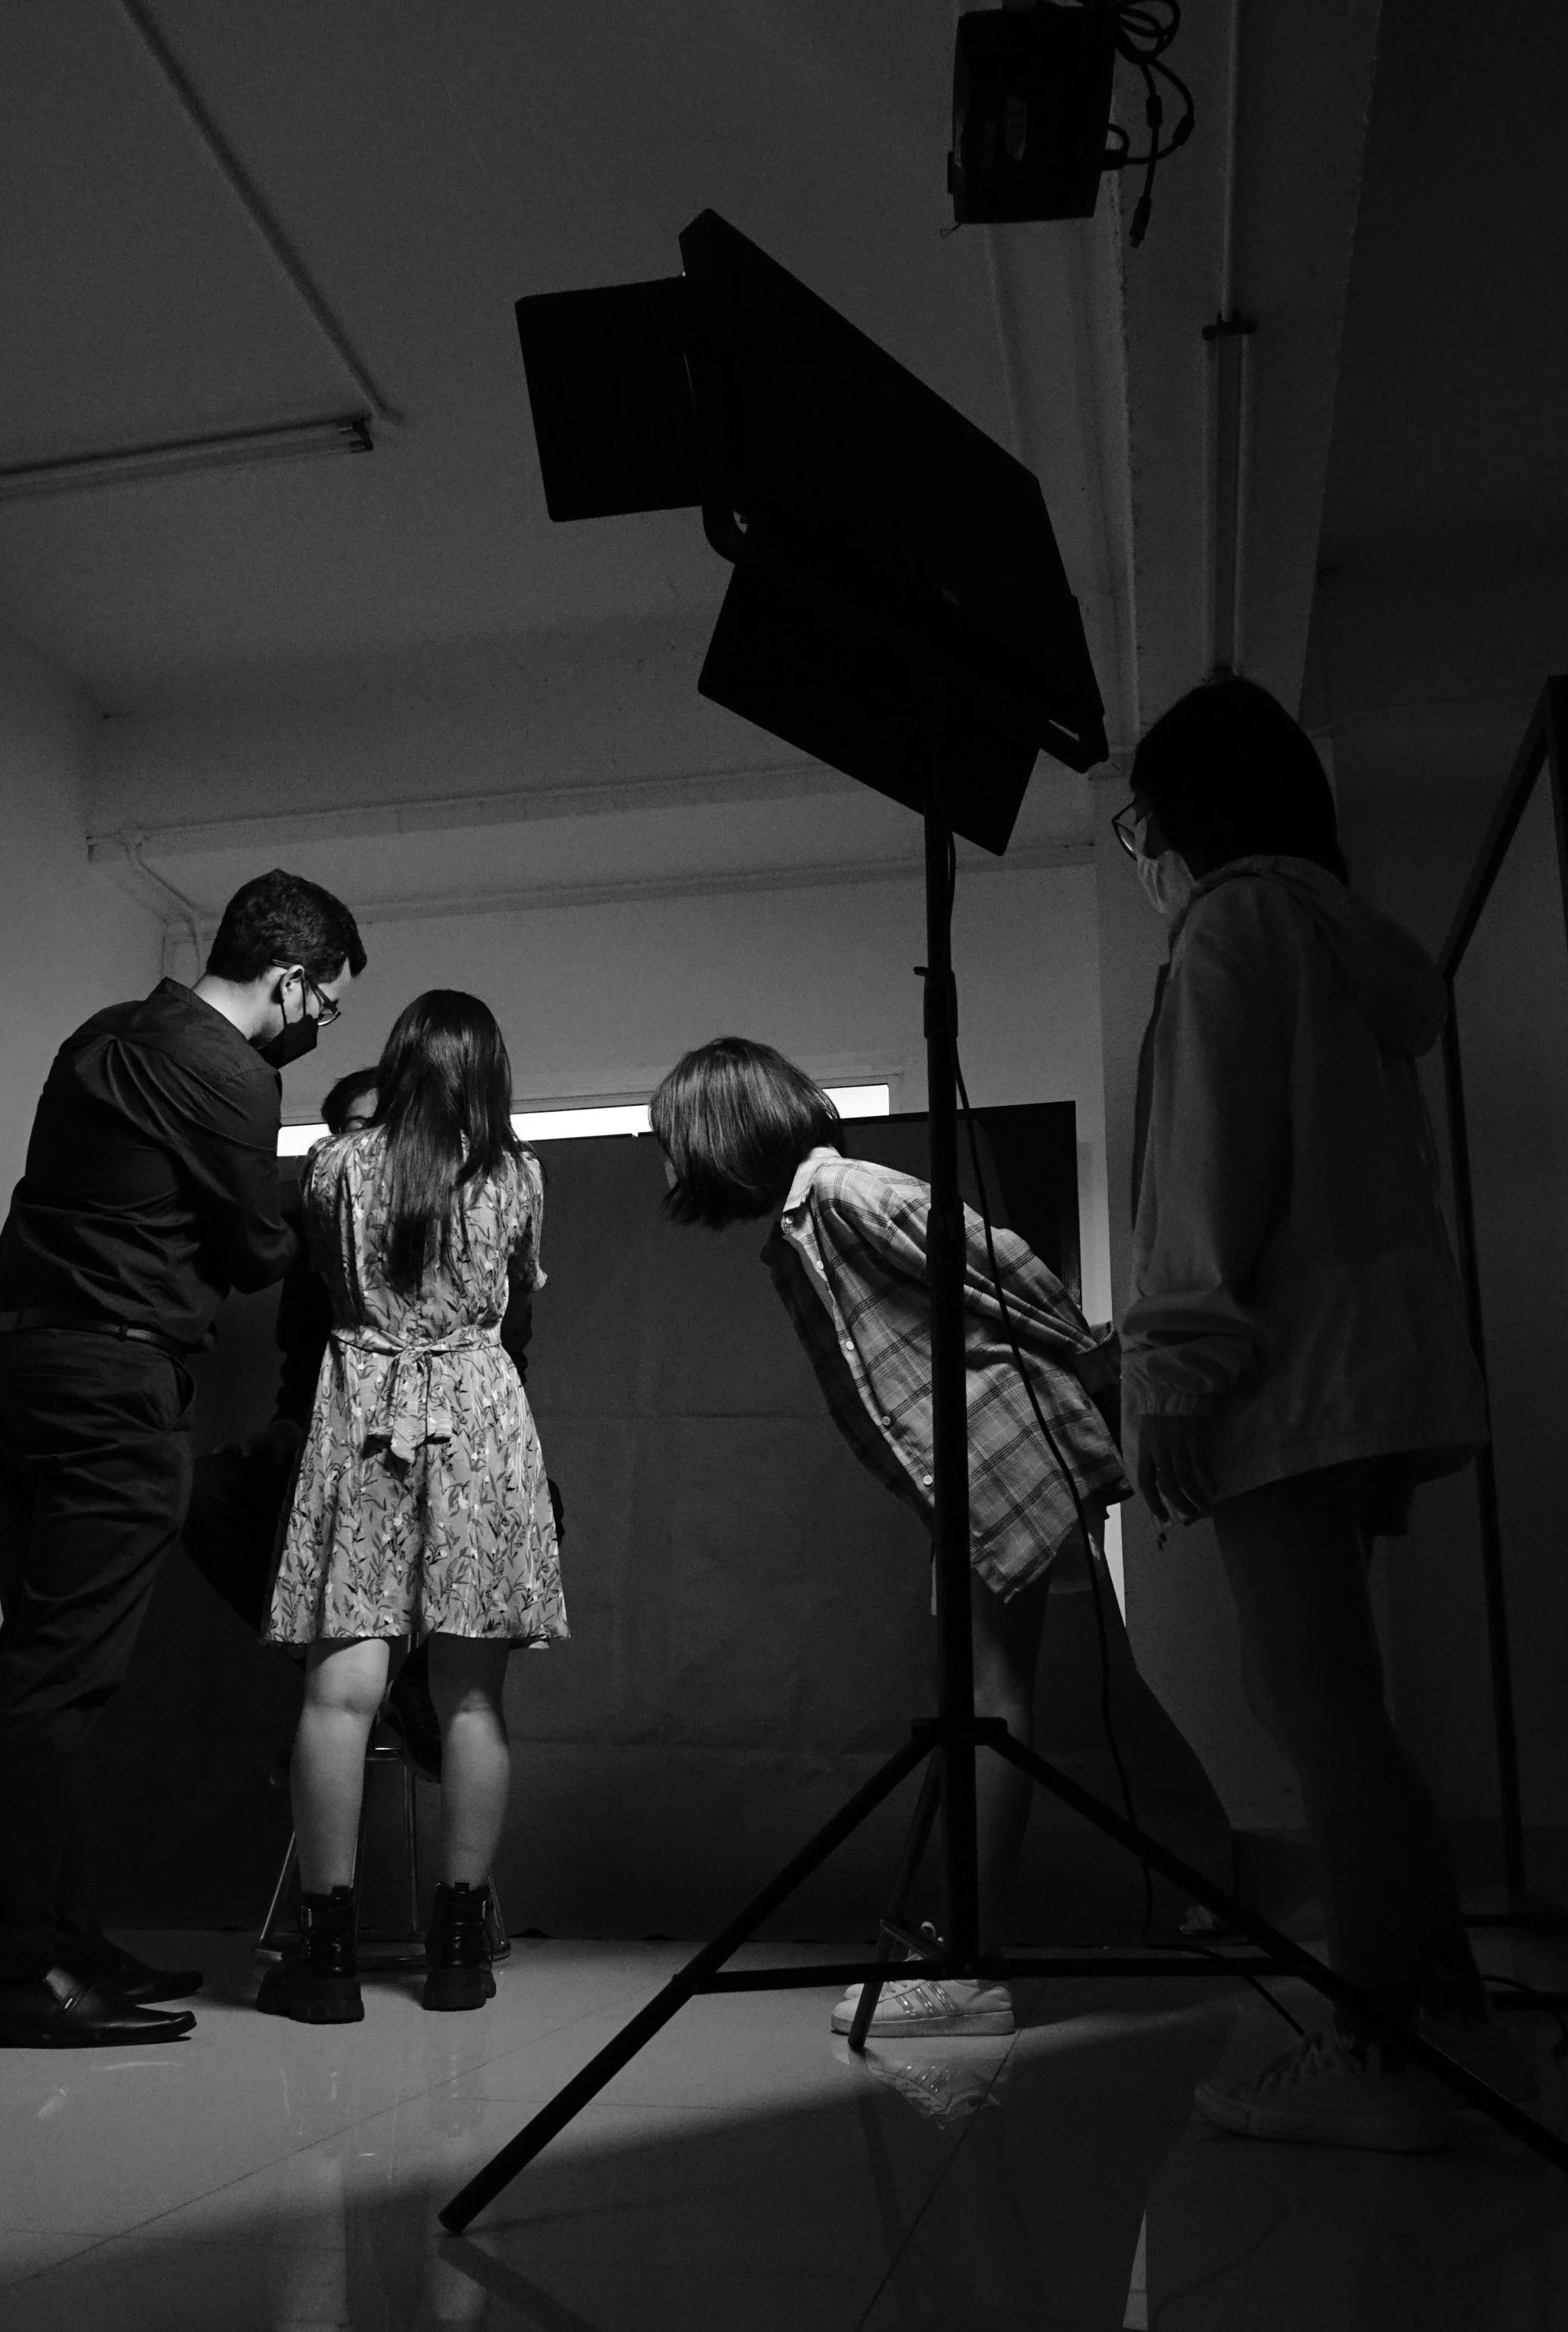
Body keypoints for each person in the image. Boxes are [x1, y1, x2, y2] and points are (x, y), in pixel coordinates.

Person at [1115, 674, 1522, 2153]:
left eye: (1141, 818)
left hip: (1288, 1374)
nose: (1141, 847)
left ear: (1189, 813)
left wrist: (1170, 1363)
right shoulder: (1348, 945)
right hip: (1376, 1365)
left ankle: (1381, 2041)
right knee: (1342, 1701)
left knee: (1318, 1707)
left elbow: (1210, 1165)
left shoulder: (1231, 925)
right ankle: (1452, 2014)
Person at [0, 869, 367, 2049]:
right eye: (325, 1002)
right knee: (54, 1687)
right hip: (114, 1393)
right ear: (289, 979)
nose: (321, 1024)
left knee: (41, 1672)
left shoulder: (105, 1036)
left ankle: (60, 1938)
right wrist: (331, 1198)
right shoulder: (237, 1071)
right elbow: (251, 1245)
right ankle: (4, 1974)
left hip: (18, 1373)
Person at [649, 1038, 1128, 2038]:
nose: (667, 1169)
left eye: (673, 1144)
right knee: (972, 1700)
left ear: (721, 1130)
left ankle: (969, 1965)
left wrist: (1088, 1358)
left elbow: (999, 1261)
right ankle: (957, 1947)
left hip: (1000, 1449)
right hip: (966, 1471)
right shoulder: (807, 1218)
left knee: (988, 1704)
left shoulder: (845, 1193)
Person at [258, 990, 567, 2023]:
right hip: (479, 1422)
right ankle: (457, 1949)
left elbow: (318, 1279)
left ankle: (330, 1954)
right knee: (472, 1701)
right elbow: (513, 1298)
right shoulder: (519, 1175)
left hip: (362, 1414)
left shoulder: (335, 1166)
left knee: (337, 1697)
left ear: (394, 1064)